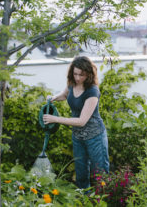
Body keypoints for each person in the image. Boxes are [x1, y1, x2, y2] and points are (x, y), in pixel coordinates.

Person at [43, 56, 109, 189]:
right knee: (81, 174)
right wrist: (54, 98)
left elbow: (81, 121)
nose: (78, 78)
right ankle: (83, 199)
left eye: (81, 75)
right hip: (78, 137)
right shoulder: (72, 84)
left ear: (89, 74)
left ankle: (103, 200)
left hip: (95, 137)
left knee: (100, 174)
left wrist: (55, 119)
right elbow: (65, 95)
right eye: (75, 73)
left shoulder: (92, 91)